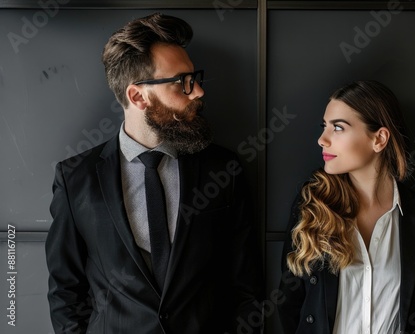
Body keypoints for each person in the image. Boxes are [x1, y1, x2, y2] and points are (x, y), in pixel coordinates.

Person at [45, 13, 262, 334]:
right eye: (182, 82)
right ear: (137, 96)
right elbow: (65, 290)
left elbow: (247, 286)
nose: (198, 92)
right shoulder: (77, 178)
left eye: (195, 78)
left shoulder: (223, 169)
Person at [278, 80, 415, 334]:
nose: (322, 139)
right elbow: (290, 304)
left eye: (338, 128)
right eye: (324, 126)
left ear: (379, 139)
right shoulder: (310, 207)